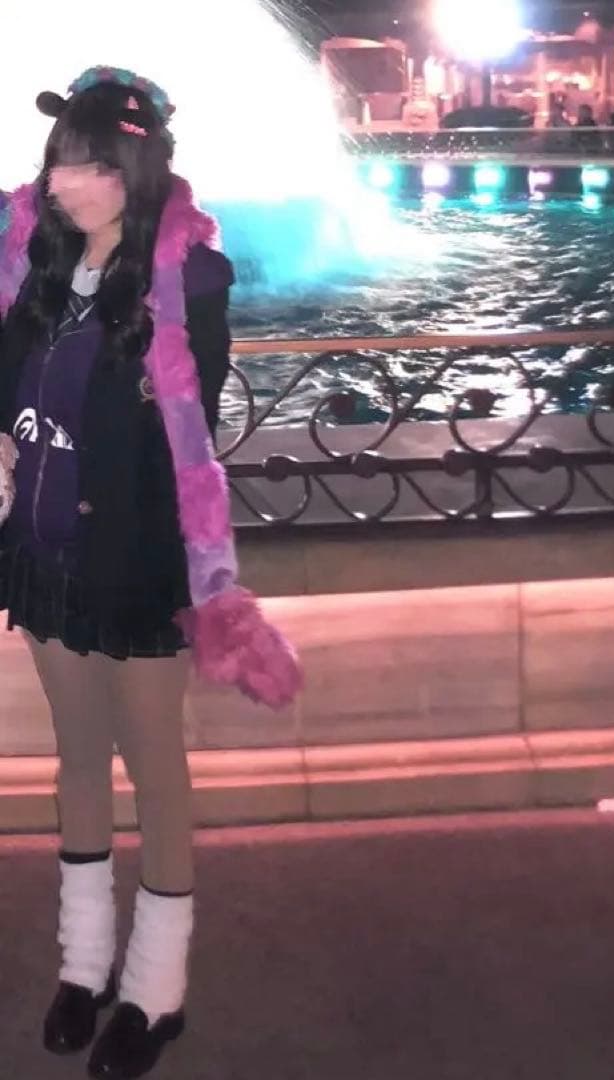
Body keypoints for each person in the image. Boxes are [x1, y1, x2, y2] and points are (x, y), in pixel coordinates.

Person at [0, 66, 300, 1080]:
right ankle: (84, 967)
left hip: (135, 563)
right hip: (42, 556)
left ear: (135, 170)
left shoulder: (187, 280)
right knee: (78, 761)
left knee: (154, 767)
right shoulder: (33, 265)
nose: (62, 183)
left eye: (88, 166)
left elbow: (188, 428)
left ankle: (156, 991)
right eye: (57, 164)